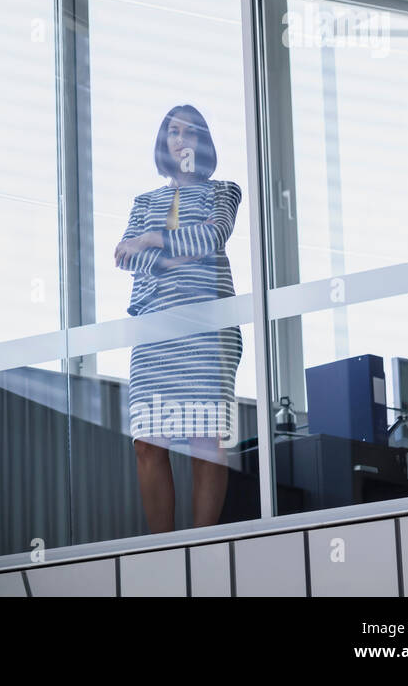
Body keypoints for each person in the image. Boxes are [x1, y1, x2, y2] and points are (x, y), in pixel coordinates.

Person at [113, 104, 242, 533]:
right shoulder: (144, 201)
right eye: (173, 131)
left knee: (206, 438)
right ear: (164, 143)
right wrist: (175, 254)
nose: (180, 139)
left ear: (202, 143)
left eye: (190, 132)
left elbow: (212, 235)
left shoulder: (223, 191)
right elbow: (125, 259)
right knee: (149, 443)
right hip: (154, 330)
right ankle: (162, 547)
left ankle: (202, 544)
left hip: (205, 329)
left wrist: (152, 239)